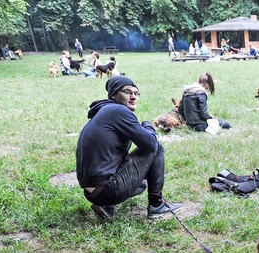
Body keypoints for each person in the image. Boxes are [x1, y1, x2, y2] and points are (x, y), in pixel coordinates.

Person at [75, 76, 182, 221]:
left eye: (136, 93)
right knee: (157, 148)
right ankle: (157, 205)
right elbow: (151, 144)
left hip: (92, 193)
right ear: (114, 94)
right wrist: (148, 126)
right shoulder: (118, 111)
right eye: (127, 92)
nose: (133, 97)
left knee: (142, 184)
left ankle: (106, 205)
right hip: (107, 189)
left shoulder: (103, 112)